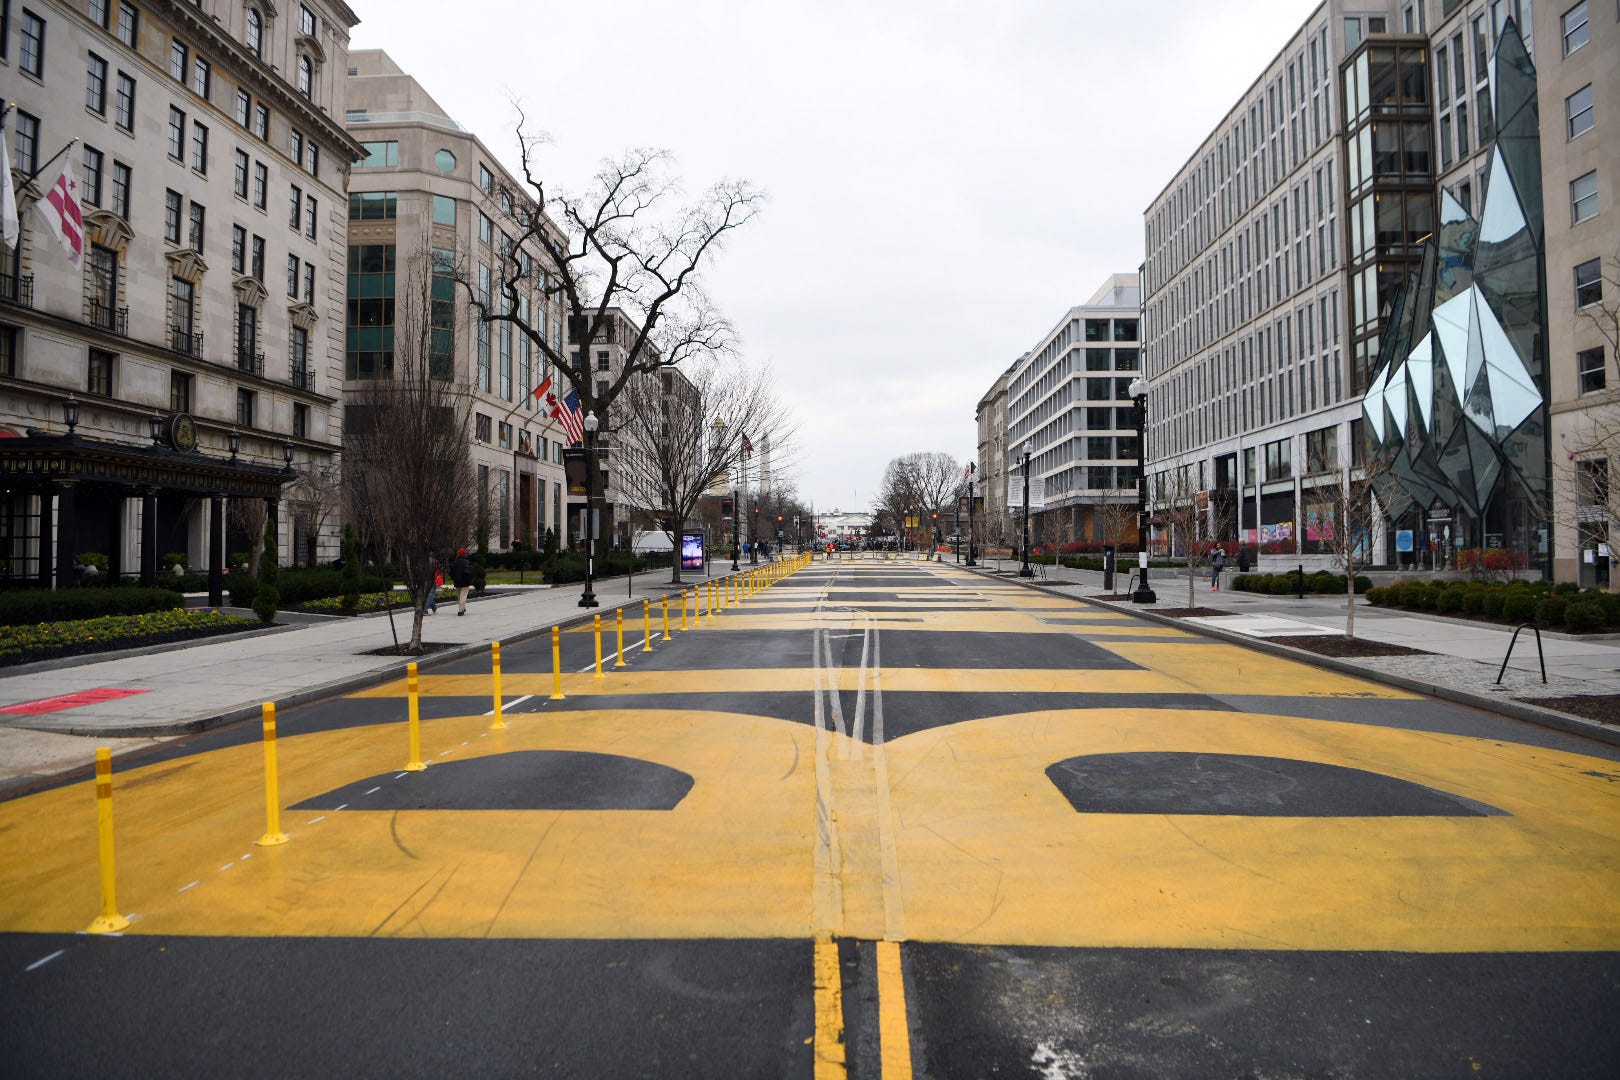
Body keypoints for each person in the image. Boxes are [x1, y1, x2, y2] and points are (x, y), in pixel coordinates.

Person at [451, 547, 474, 616]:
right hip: (465, 582)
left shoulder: (455, 562)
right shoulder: (467, 562)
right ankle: (461, 610)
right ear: (465, 554)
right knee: (463, 596)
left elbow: (451, 573)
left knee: (459, 596)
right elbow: (470, 573)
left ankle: (462, 608)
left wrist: (454, 578)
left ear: (458, 554)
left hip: (457, 582)